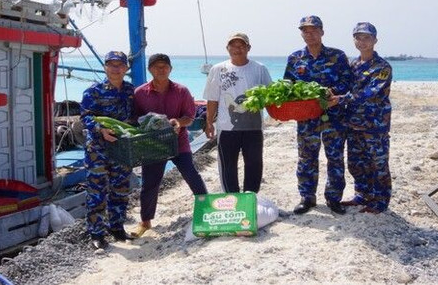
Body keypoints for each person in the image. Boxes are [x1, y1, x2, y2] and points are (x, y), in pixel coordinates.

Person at [130, 53, 208, 238]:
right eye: (157, 66)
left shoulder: (182, 91)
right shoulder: (139, 93)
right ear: (150, 69)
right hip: (153, 145)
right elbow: (134, 119)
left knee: (191, 173)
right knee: (150, 183)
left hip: (178, 142)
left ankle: (207, 209)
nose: (161, 69)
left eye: (165, 66)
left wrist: (179, 122)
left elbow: (190, 117)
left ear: (170, 69)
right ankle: (145, 221)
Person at [283, 16, 352, 215]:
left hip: (334, 116)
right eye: (305, 31)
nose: (309, 34)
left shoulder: (337, 56)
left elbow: (348, 81)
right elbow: (288, 85)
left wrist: (333, 92)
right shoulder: (295, 58)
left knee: (335, 158)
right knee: (306, 158)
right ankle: (307, 197)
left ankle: (333, 198)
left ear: (322, 32)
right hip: (306, 118)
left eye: (313, 30)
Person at [80, 51, 136, 250]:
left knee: (121, 189)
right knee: (97, 191)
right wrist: (100, 130)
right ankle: (96, 233)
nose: (115, 68)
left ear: (126, 68)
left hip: (122, 148)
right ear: (105, 67)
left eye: (119, 64)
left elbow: (135, 115)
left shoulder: (130, 90)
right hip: (98, 149)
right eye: (111, 64)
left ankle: (117, 227)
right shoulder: (93, 91)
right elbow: (85, 118)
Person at [203, 33, 272, 194]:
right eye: (233, 45)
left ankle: (250, 198)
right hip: (227, 129)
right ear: (227, 48)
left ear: (248, 48)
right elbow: (212, 99)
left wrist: (277, 114)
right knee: (228, 166)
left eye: (241, 45)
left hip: (253, 127)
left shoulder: (259, 68)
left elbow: (270, 95)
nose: (237, 49)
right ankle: (232, 198)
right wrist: (208, 123)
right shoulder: (218, 69)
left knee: (254, 164)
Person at [337, 22, 393, 214]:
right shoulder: (352, 64)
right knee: (356, 163)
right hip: (353, 124)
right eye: (358, 37)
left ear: (375, 40)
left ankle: (380, 201)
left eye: (366, 38)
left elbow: (369, 93)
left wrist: (341, 99)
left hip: (374, 125)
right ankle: (362, 195)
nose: (362, 41)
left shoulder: (383, 67)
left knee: (378, 163)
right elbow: (343, 85)